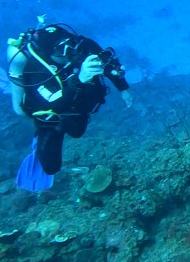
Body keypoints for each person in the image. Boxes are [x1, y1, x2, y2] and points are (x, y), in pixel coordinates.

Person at [7, 22, 131, 191]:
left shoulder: (81, 46)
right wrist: (80, 79)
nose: (70, 53)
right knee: (51, 167)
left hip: (75, 104)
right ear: (50, 53)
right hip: (50, 114)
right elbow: (52, 104)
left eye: (71, 45)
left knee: (77, 132)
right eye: (62, 51)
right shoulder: (36, 70)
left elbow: (107, 63)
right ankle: (39, 143)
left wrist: (123, 89)